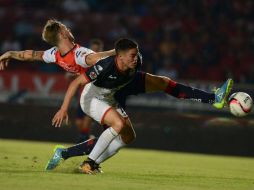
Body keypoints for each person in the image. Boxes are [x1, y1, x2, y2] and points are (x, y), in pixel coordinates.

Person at [49, 38, 233, 174]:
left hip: (113, 94)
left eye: (137, 54)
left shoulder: (135, 63)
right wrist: (63, 108)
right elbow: (75, 84)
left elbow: (134, 77)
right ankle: (88, 163)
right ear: (119, 57)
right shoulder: (104, 66)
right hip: (92, 98)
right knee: (118, 126)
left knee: (130, 133)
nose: (136, 58)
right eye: (132, 55)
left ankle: (213, 99)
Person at [0, 19, 115, 73]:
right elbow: (96, 57)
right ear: (62, 34)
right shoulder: (78, 54)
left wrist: (10, 53)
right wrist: (117, 50)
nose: (69, 30)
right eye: (66, 28)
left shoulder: (54, 54)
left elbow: (29, 55)